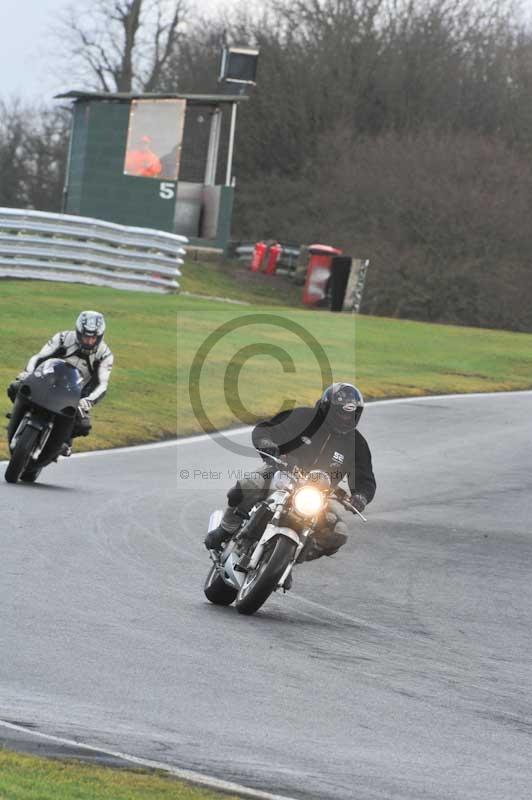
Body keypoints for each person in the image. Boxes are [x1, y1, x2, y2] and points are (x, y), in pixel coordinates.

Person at [204, 383, 376, 561]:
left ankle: (286, 561)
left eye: (351, 415)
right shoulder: (302, 417)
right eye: (340, 413)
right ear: (327, 408)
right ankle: (225, 529)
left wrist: (361, 496)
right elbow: (266, 429)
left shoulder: (357, 444)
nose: (345, 418)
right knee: (246, 487)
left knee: (338, 533)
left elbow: (366, 480)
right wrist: (267, 444)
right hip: (281, 473)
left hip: (318, 495)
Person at [8, 311, 113, 456]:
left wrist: (87, 401)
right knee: (15, 387)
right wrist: (28, 372)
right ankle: (17, 413)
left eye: (93, 338)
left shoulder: (105, 354)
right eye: (85, 336)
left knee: (83, 425)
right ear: (78, 332)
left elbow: (103, 384)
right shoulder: (63, 338)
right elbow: (39, 357)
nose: (88, 341)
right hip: (48, 379)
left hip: (77, 393)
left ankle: (64, 441)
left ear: (99, 337)